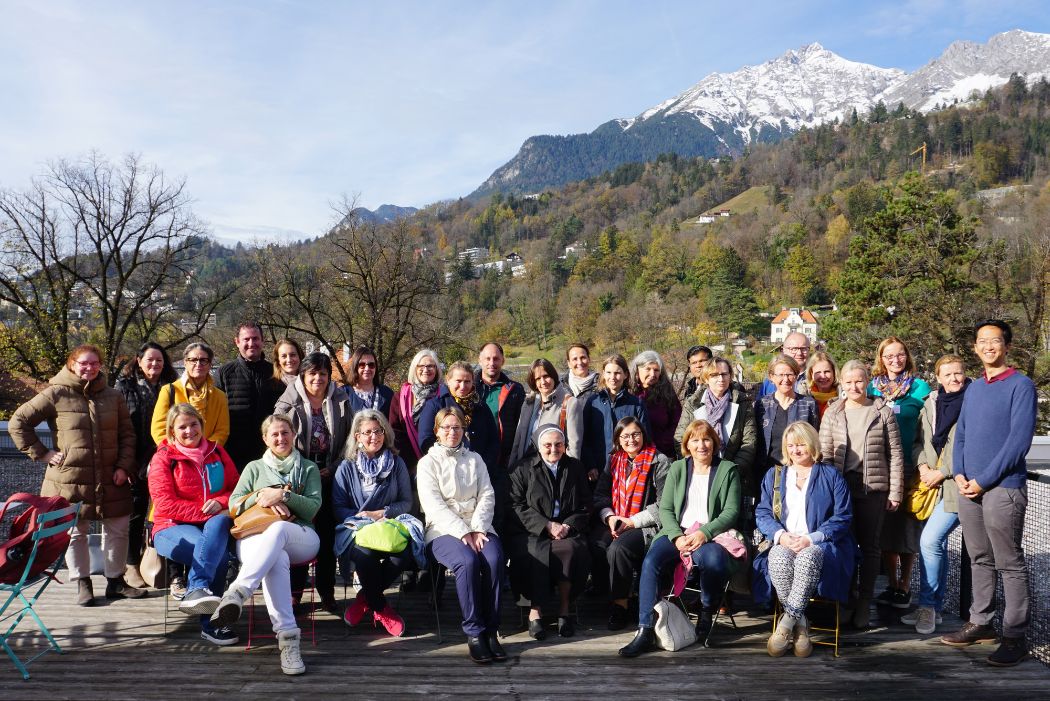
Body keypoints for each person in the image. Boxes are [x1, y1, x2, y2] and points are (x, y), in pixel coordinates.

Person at [9, 344, 145, 605]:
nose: (90, 368)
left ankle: (116, 581)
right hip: (69, 478)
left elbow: (128, 435)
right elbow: (18, 423)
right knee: (76, 532)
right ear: (72, 364)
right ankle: (83, 582)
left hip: (110, 477)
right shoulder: (56, 393)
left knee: (117, 530)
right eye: (84, 363)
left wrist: (123, 466)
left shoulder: (113, 396)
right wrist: (43, 454)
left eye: (95, 363)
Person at [941, 320, 1036, 667]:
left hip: (1003, 489)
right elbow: (961, 434)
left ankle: (1015, 636)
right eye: (982, 341)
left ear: (1006, 346)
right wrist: (962, 473)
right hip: (969, 488)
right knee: (979, 558)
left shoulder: (1021, 386)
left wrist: (983, 480)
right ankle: (981, 623)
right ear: (975, 348)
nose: (988, 346)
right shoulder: (976, 388)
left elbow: (1018, 443)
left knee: (1009, 563)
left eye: (994, 341)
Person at [619, 419, 742, 657]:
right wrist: (676, 536)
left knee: (714, 561)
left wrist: (703, 533)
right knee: (651, 561)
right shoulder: (677, 468)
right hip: (677, 532)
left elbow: (731, 512)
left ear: (714, 442)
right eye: (695, 440)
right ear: (687, 444)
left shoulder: (728, 470)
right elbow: (665, 509)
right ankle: (644, 628)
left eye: (706, 439)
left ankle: (706, 612)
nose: (701, 445)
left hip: (710, 534)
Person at [211, 414, 322, 676]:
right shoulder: (253, 468)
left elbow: (313, 509)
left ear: (294, 434)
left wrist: (284, 495)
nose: (281, 438)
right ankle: (288, 642)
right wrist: (261, 496)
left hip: (300, 535)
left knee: (279, 529)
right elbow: (234, 505)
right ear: (265, 439)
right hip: (253, 537)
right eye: (274, 434)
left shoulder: (308, 468)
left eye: (285, 432)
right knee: (277, 559)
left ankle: (238, 591)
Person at [754, 422, 855, 658]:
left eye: (801, 444)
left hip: (821, 544)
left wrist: (811, 539)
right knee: (777, 557)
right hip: (785, 541)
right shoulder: (775, 475)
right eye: (791, 446)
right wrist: (781, 536)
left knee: (807, 559)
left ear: (812, 445)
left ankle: (786, 624)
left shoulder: (831, 475)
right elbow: (763, 512)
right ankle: (801, 626)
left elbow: (843, 516)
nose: (796, 450)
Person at [417, 407, 506, 664]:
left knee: (494, 559)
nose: (452, 432)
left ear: (464, 431)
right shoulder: (427, 463)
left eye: (457, 427)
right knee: (467, 562)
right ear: (437, 431)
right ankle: (475, 632)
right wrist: (462, 531)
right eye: (446, 427)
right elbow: (433, 505)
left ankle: (491, 630)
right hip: (443, 529)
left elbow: (487, 494)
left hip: (480, 526)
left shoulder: (475, 459)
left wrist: (477, 527)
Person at [818, 359, 903, 628]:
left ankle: (865, 602)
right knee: (842, 547)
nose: (854, 386)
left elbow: (896, 454)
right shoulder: (832, 412)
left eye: (859, 380)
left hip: (873, 489)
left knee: (870, 548)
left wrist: (896, 491)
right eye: (849, 381)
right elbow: (825, 454)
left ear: (867, 382)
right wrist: (827, 492)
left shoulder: (882, 412)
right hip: (841, 488)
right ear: (841, 383)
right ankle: (846, 600)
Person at [148, 403, 240, 644]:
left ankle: (197, 592)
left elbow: (238, 488)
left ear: (202, 424)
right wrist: (206, 513)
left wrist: (220, 502)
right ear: (172, 431)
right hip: (170, 527)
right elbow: (165, 504)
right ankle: (211, 623)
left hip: (212, 525)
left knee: (219, 527)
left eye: (193, 424)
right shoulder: (163, 458)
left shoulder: (217, 452)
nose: (189, 430)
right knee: (213, 549)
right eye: (182, 427)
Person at [273, 351, 354, 614]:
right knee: (299, 533)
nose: (318, 378)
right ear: (303, 376)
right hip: (299, 477)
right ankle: (295, 593)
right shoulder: (287, 402)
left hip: (332, 474)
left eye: (323, 373)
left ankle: (327, 591)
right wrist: (307, 470)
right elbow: (280, 440)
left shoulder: (341, 399)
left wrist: (333, 467)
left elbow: (350, 440)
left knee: (328, 535)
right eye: (312, 373)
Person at [900, 355, 968, 635]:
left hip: (956, 486)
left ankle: (927, 605)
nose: (954, 378)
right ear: (938, 378)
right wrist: (924, 466)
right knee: (934, 544)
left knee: (929, 541)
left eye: (958, 373)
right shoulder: (931, 404)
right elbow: (918, 442)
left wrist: (943, 472)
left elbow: (972, 447)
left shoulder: (973, 403)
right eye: (948, 374)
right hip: (930, 484)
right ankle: (936, 608)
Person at [333, 409, 414, 637]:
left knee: (402, 556)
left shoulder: (396, 464)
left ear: (384, 433)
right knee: (364, 556)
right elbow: (339, 507)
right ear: (357, 436)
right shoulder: (346, 467)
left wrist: (382, 513)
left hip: (389, 527)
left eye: (377, 431)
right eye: (367, 432)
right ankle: (381, 607)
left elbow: (406, 502)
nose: (373, 437)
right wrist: (362, 519)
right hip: (357, 530)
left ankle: (364, 600)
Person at [508, 425, 591, 640]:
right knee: (534, 552)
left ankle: (565, 608)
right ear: (538, 447)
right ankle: (535, 611)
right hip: (532, 530)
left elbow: (585, 504)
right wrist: (546, 525)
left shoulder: (575, 467)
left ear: (565, 446)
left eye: (558, 444)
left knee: (570, 550)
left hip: (566, 529)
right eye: (548, 445)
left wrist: (568, 526)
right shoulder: (522, 468)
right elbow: (515, 505)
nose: (553, 449)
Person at [590, 416, 670, 630]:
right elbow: (600, 495)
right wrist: (610, 517)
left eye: (636, 434)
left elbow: (664, 506)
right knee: (596, 545)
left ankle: (621, 606)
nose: (631, 440)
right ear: (618, 439)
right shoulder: (614, 460)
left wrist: (631, 521)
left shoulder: (659, 461)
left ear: (644, 434)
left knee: (618, 549)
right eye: (625, 436)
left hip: (647, 524)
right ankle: (610, 595)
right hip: (616, 518)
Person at [868, 337, 931, 611]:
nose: (895, 360)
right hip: (880, 467)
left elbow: (927, 428)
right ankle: (891, 584)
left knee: (907, 527)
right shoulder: (872, 388)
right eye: (889, 355)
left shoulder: (919, 388)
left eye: (900, 354)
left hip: (910, 466)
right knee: (885, 529)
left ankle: (904, 586)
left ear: (907, 356)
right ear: (881, 358)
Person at [115, 341, 178, 589]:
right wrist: (124, 461)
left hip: (164, 458)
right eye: (149, 359)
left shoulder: (171, 388)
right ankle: (131, 563)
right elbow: (118, 427)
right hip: (134, 457)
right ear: (138, 361)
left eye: (159, 360)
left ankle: (157, 563)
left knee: (164, 510)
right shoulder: (124, 387)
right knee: (136, 511)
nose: (155, 364)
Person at [417, 360, 502, 520]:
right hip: (447, 478)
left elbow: (493, 441)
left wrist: (481, 467)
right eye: (458, 381)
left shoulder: (481, 408)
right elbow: (426, 440)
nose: (463, 386)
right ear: (448, 380)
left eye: (467, 381)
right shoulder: (435, 405)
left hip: (479, 475)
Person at [216, 320, 285, 470]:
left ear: (262, 341)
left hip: (269, 453)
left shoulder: (275, 373)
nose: (251, 343)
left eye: (255, 338)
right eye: (246, 339)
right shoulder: (224, 373)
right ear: (237, 342)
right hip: (233, 454)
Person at [675, 356, 756, 481]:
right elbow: (681, 439)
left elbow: (749, 443)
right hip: (698, 474)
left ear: (730, 376)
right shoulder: (692, 403)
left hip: (733, 474)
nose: (721, 379)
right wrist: (696, 468)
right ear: (706, 378)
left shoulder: (743, 403)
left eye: (724, 374)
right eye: (714, 375)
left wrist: (731, 472)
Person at [754, 355, 819, 497]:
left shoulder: (808, 404)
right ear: (771, 377)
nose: (786, 379)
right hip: (766, 471)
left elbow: (815, 440)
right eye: (780, 375)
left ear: (796, 376)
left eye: (790, 374)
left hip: (799, 471)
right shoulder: (761, 405)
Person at [581, 354, 650, 481]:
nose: (612, 377)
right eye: (608, 372)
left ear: (625, 375)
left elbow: (645, 438)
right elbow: (585, 438)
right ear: (603, 374)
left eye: (617, 373)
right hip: (599, 470)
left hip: (629, 469)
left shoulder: (636, 404)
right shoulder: (592, 402)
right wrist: (590, 465)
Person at [150, 342, 230, 447]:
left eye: (203, 360)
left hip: (207, 456)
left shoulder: (220, 396)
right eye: (193, 360)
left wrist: (205, 450)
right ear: (185, 363)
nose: (198, 364)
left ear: (210, 364)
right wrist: (178, 452)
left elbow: (222, 431)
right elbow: (158, 429)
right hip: (176, 457)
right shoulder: (169, 391)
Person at [508, 358, 582, 467]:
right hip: (525, 469)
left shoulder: (570, 403)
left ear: (553, 376)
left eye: (546, 376)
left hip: (552, 471)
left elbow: (574, 446)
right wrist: (512, 467)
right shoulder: (528, 403)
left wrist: (569, 475)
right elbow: (518, 440)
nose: (543, 382)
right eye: (538, 378)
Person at [389, 348, 443, 471]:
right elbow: (395, 430)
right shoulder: (400, 397)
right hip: (407, 463)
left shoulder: (444, 395)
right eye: (421, 366)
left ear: (436, 369)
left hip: (438, 462)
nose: (426, 370)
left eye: (430, 366)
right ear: (414, 368)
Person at [475, 342, 525, 471]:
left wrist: (515, 454)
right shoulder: (469, 387)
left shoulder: (515, 389)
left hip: (504, 460)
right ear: (479, 361)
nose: (492, 363)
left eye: (496, 359)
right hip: (473, 457)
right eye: (487, 358)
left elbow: (521, 426)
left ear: (503, 361)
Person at [630, 350, 682, 459]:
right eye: (648, 369)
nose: (652, 374)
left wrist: (664, 441)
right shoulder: (628, 393)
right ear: (637, 370)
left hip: (663, 454)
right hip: (633, 453)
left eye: (656, 370)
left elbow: (678, 421)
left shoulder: (667, 392)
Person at [757, 332, 811, 398]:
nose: (799, 353)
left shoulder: (817, 379)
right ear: (784, 350)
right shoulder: (770, 382)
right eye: (794, 349)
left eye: (803, 349)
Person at [346, 345, 395, 417]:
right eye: (362, 365)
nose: (367, 368)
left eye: (371, 365)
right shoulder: (343, 394)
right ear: (355, 367)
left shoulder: (387, 394)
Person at [806, 351, 839, 419]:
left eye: (827, 371)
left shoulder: (843, 396)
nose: (823, 376)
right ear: (811, 374)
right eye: (818, 372)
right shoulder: (804, 396)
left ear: (834, 372)